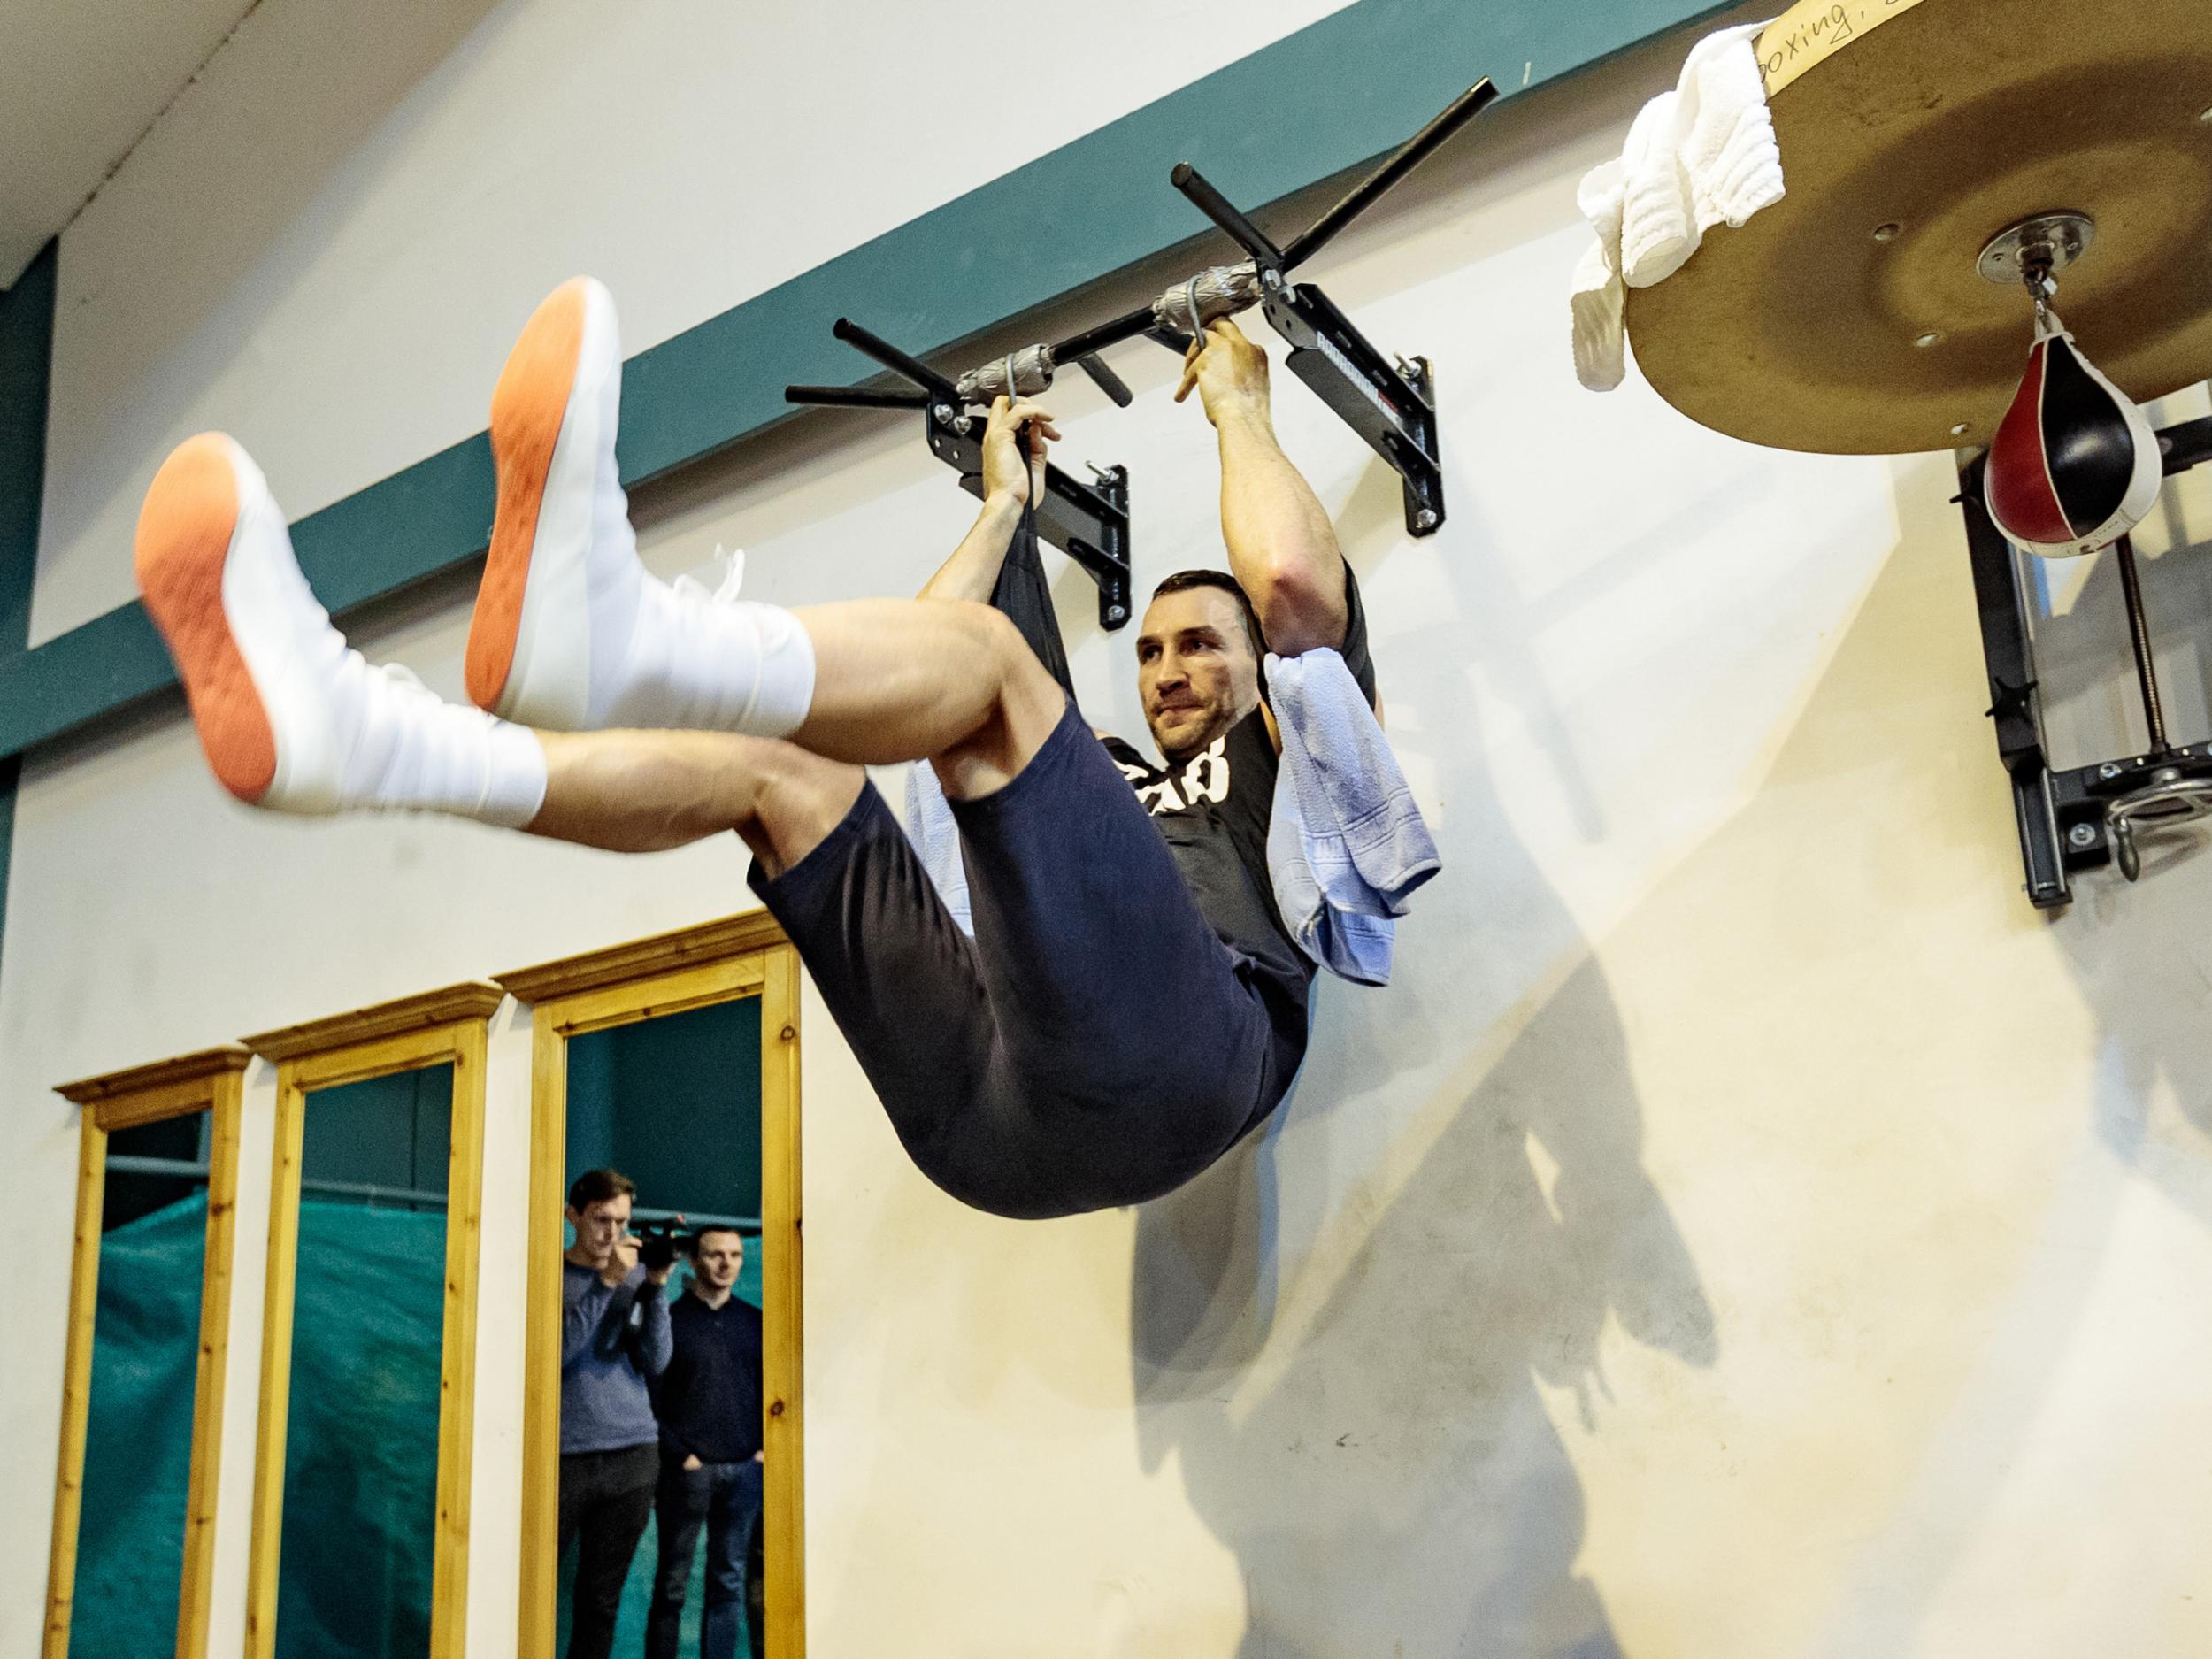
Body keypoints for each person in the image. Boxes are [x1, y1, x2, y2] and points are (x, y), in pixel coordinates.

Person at [134, 274, 1378, 1221]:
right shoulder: (1091, 766)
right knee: (788, 769)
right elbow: (928, 651)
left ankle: (624, 637)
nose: (1168, 668)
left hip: (1195, 1058)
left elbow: (1284, 582)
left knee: (995, 672)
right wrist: (1006, 505)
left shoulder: (1277, 750)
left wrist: (1237, 404)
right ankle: (371, 743)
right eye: (1152, 648)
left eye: (1202, 647)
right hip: (991, 1121)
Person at [559, 1168, 674, 1659]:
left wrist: (655, 1286)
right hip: (562, 1457)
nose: (613, 1234)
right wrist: (605, 1284)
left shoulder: (632, 1277)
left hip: (632, 1455)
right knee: (528, 1592)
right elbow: (553, 1355)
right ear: (573, 1216)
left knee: (600, 1603)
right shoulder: (545, 1274)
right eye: (601, 1220)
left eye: (622, 1222)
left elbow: (657, 1360)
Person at [646, 1226, 766, 1659]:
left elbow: (771, 1394)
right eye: (715, 1255)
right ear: (694, 1261)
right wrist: (682, 1456)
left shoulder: (756, 1322)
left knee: (728, 1583)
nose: (726, 1263)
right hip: (686, 1472)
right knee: (672, 1584)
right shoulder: (670, 1321)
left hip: (745, 1470)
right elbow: (650, 1398)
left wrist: (759, 1452)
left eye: (734, 1255)